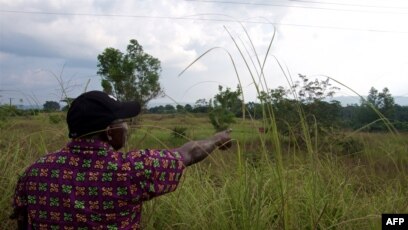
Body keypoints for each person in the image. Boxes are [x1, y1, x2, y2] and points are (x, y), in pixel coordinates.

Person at [11, 90, 232, 229]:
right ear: (109, 131)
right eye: (123, 121)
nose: (127, 127)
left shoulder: (34, 171)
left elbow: (22, 218)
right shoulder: (131, 169)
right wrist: (216, 139)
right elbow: (189, 153)